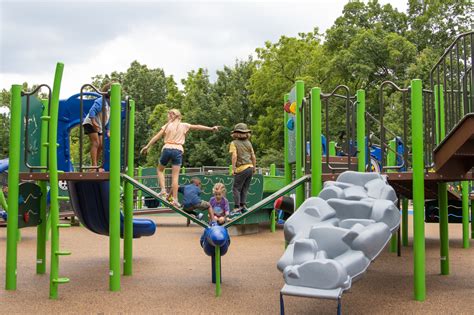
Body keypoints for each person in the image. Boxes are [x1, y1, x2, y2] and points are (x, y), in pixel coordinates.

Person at [140, 109, 219, 208]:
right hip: (178, 150)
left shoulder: (167, 126)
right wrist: (211, 128)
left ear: (172, 115)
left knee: (160, 170)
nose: (167, 117)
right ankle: (175, 199)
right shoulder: (184, 125)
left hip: (167, 148)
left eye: (168, 115)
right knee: (175, 176)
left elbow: (156, 137)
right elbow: (198, 127)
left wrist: (147, 146)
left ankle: (163, 190)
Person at [229, 123, 256, 218]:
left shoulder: (234, 143)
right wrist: (254, 167)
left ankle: (236, 208)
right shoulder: (249, 143)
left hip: (241, 168)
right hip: (250, 167)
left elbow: (234, 156)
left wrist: (233, 169)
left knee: (236, 188)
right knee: (245, 188)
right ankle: (243, 205)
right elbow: (253, 156)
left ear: (235, 133)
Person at [82, 83, 111, 171]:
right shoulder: (101, 101)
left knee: (101, 145)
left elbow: (108, 119)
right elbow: (92, 111)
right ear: (108, 94)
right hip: (91, 122)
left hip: (99, 125)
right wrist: (94, 122)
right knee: (96, 143)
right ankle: (94, 166)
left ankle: (96, 165)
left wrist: (108, 130)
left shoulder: (110, 105)